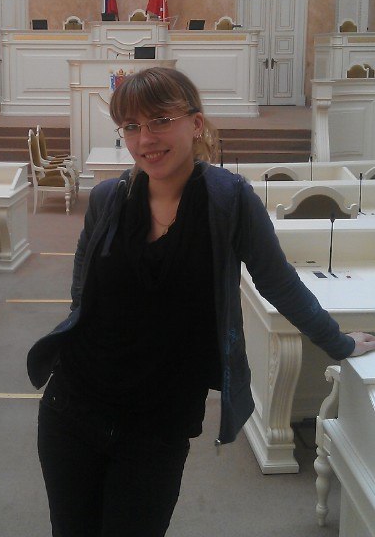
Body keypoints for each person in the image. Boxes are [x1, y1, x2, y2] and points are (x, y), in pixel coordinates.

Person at [27, 66, 375, 537]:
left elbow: (279, 284)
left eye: (160, 120)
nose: (145, 139)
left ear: (195, 123)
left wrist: (339, 343)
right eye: (131, 126)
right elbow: (81, 294)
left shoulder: (229, 201)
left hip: (158, 425)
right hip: (71, 408)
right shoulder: (109, 199)